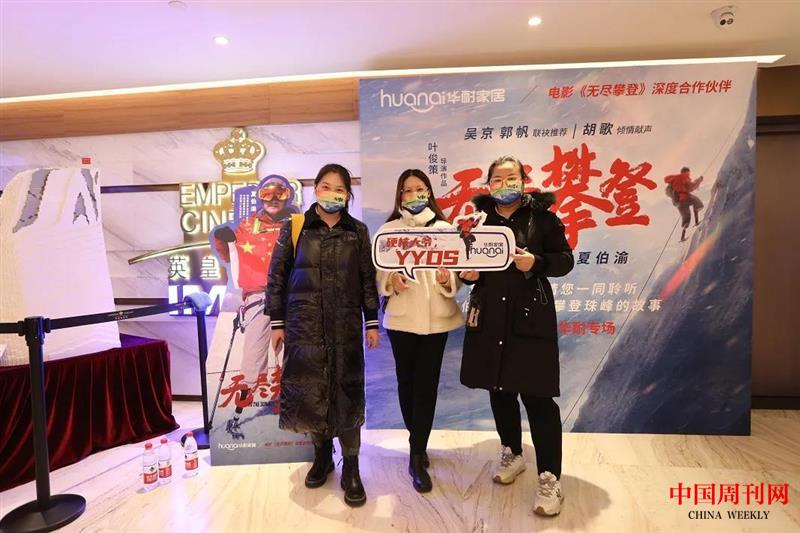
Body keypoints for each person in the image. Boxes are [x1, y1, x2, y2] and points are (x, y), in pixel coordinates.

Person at [459, 156, 574, 516]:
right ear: (488, 184)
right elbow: (465, 264)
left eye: (511, 178)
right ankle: (512, 452)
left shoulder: (543, 219)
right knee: (500, 389)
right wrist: (467, 275)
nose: (504, 184)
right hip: (491, 316)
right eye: (497, 179)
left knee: (538, 398)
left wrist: (536, 263)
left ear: (524, 181)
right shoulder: (477, 222)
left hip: (530, 318)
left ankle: (550, 477)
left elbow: (565, 260)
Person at [267, 163, 380, 507]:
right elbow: (278, 274)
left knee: (347, 392)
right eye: (326, 186)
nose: (333, 193)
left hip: (345, 327)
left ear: (348, 195)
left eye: (340, 188)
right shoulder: (296, 227)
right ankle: (322, 456)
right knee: (311, 391)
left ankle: (352, 465)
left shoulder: (357, 231)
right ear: (315, 189)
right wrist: (277, 322)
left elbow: (367, 278)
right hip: (305, 326)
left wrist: (372, 322)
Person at [375, 169, 464, 493]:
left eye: (420, 189)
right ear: (400, 195)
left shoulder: (446, 230)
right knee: (406, 384)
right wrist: (390, 281)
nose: (414, 195)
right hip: (401, 320)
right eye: (408, 190)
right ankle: (418, 444)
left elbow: (457, 274)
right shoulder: (388, 231)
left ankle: (416, 453)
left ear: (429, 192)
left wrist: (446, 279)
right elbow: (377, 274)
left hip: (437, 320)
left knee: (426, 387)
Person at [211, 175, 298, 439]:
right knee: (253, 357)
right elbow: (230, 254)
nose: (274, 199)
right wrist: (223, 239)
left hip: (292, 296)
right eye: (267, 193)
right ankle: (239, 414)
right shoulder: (248, 225)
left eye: (280, 193)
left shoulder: (299, 223)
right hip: (259, 296)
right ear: (259, 196)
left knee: (296, 354)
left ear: (289, 196)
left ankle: (297, 410)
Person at [664, 166, 704, 242]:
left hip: (678, 202)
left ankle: (682, 237)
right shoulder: (684, 177)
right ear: (686, 172)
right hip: (685, 198)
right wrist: (699, 180)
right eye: (689, 173)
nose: (689, 174)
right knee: (697, 202)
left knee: (686, 217)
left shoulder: (675, 178)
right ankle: (697, 221)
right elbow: (691, 187)